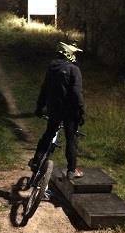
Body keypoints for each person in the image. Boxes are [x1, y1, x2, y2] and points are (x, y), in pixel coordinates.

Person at [29, 41, 85, 179]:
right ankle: (71, 170)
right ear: (69, 54)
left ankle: (36, 161)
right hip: (70, 112)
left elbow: (45, 88)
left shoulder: (52, 68)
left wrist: (39, 106)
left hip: (54, 109)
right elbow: (77, 93)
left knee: (48, 134)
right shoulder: (74, 70)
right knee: (70, 139)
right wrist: (81, 111)